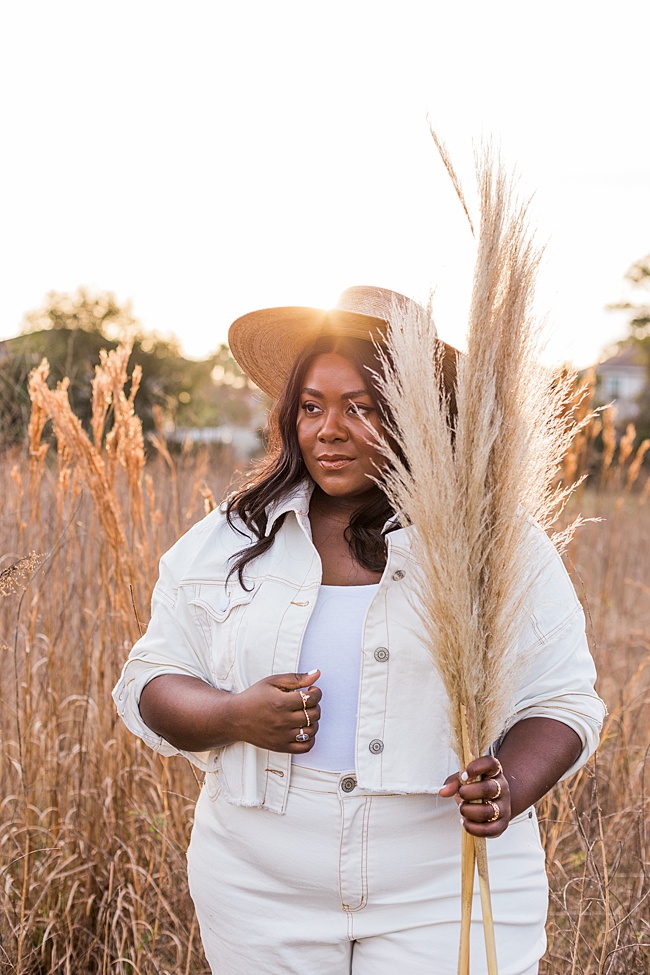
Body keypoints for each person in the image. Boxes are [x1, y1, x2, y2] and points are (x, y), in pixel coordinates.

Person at [113, 286, 605, 975]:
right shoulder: (227, 540)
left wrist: (510, 784)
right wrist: (235, 714)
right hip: (260, 885)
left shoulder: (492, 543)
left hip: (444, 880)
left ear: (415, 414)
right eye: (311, 406)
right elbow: (147, 682)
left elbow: (564, 700)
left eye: (361, 408)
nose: (329, 429)